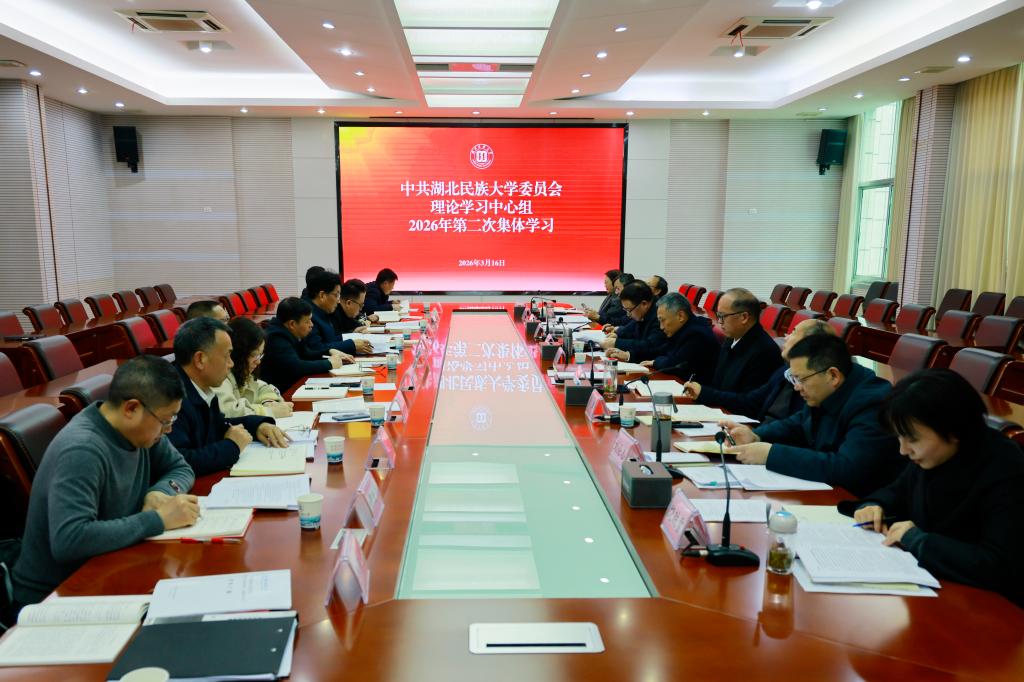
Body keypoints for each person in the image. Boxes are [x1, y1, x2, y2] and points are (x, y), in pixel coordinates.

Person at [8, 356, 199, 613]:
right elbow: (70, 539)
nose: (168, 430)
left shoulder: (141, 431)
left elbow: (181, 468)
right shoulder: (83, 449)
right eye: (166, 421)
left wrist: (159, 492)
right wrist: (158, 519)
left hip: (110, 564)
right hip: (57, 596)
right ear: (131, 409)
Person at [848, 369, 1024, 607]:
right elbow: (896, 492)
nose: (903, 450)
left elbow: (998, 564)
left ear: (954, 431)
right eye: (899, 437)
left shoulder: (1006, 469)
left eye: (912, 439)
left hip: (988, 608)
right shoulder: (935, 455)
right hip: (934, 590)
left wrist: (919, 541)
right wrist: (873, 506)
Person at [722, 334, 904, 497]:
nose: (796, 387)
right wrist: (757, 435)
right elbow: (800, 422)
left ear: (833, 375)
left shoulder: (873, 404)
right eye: (794, 378)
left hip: (863, 504)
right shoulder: (826, 391)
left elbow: (847, 468)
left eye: (801, 379)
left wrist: (771, 454)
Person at [168, 317, 288, 476]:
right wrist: (232, 446)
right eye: (227, 356)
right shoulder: (170, 398)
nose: (231, 363)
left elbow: (219, 425)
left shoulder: (202, 387)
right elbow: (181, 461)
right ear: (200, 359)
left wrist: (257, 426)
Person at [685, 318, 834, 423]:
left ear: (809, 343)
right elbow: (750, 401)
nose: (786, 337)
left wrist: (758, 437)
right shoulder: (784, 372)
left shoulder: (817, 387)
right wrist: (704, 393)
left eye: (793, 332)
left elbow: (794, 430)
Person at [213, 317, 294, 418]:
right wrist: (268, 411)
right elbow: (228, 411)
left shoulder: (242, 372)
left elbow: (262, 387)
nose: (258, 361)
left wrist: (269, 402)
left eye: (260, 355)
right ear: (238, 353)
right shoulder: (220, 375)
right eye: (253, 355)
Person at [262, 297, 346, 393]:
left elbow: (306, 354)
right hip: (282, 393)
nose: (311, 325)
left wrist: (329, 351)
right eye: (307, 321)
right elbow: (296, 367)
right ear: (292, 324)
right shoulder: (276, 338)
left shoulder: (291, 331)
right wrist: (329, 364)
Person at [710, 288, 783, 393]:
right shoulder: (731, 338)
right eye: (718, 315)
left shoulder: (765, 352)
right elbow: (717, 383)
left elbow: (748, 400)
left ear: (744, 317)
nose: (719, 321)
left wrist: (704, 393)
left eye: (723, 316)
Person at [635, 292, 719, 382]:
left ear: (680, 316)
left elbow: (674, 365)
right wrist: (630, 355)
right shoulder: (682, 328)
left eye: (662, 320)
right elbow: (661, 350)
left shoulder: (697, 334)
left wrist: (655, 362)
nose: (661, 327)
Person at [303, 269, 370, 356]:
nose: (338, 301)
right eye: (336, 295)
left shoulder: (322, 311)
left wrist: (352, 335)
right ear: (322, 295)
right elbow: (317, 348)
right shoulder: (307, 315)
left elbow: (330, 340)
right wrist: (352, 345)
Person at [602, 281, 668, 362]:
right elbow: (632, 329)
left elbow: (650, 346)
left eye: (629, 310)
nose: (628, 315)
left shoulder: (659, 315)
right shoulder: (641, 311)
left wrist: (617, 343)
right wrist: (617, 335)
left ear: (644, 304)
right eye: (626, 310)